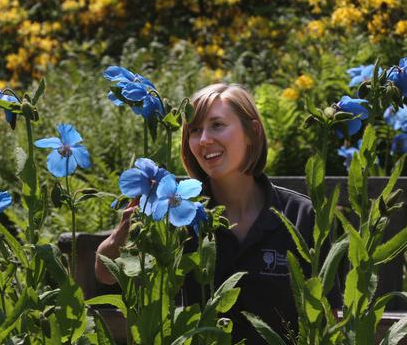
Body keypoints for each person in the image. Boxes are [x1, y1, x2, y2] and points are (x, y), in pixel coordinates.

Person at [96, 83, 339, 343]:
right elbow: (106, 273)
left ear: (252, 132)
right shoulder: (177, 213)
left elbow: (329, 317)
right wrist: (124, 232)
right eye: (195, 130)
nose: (203, 140)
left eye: (217, 125)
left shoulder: (301, 216)